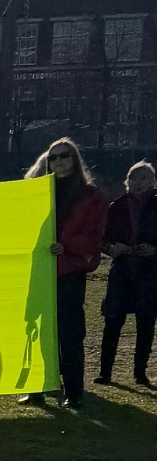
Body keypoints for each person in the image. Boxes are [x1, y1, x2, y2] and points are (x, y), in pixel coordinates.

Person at [22, 138, 106, 408]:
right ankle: (38, 388)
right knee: (37, 332)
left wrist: (67, 247)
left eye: (64, 156)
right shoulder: (38, 192)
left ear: (75, 159)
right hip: (39, 272)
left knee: (69, 334)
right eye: (53, 157)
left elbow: (95, 237)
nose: (58, 161)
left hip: (68, 273)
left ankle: (73, 391)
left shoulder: (90, 196)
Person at [99, 160, 157, 388]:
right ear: (127, 181)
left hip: (150, 275)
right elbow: (102, 239)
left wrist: (155, 250)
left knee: (146, 323)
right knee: (112, 321)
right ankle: (105, 373)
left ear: (152, 182)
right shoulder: (116, 207)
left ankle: (140, 373)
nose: (138, 183)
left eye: (144, 178)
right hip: (121, 273)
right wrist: (112, 248)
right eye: (134, 178)